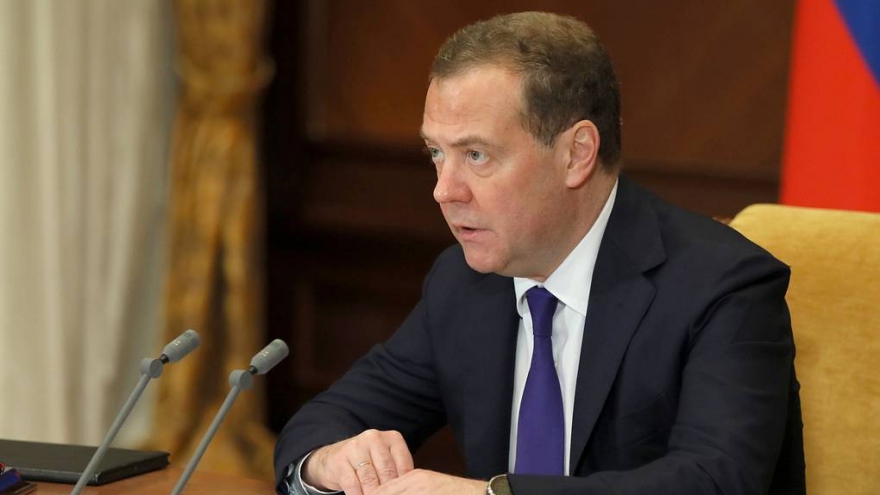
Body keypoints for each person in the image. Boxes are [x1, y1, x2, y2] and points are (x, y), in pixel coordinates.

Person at [274, 11, 805, 495]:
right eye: (436, 152)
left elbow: (714, 481)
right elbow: (327, 420)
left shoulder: (722, 286)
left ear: (576, 154)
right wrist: (328, 461)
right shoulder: (464, 282)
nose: (443, 190)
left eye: (475, 154)